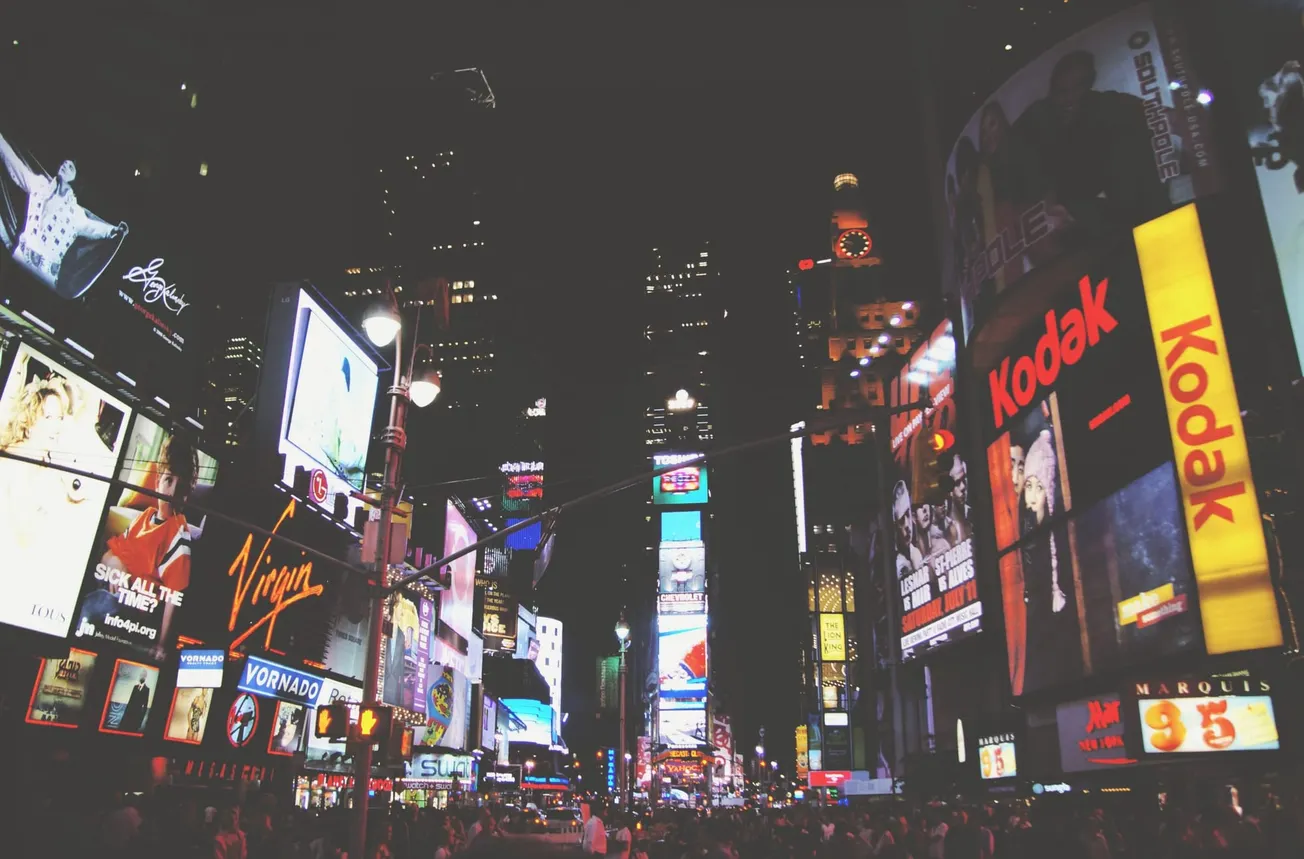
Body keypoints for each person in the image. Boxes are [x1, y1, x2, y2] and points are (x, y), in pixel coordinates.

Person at [95, 433, 201, 660]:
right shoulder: (145, 517)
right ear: (157, 481)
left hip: (134, 613)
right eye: (169, 480)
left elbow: (174, 596)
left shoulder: (179, 535)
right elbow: (109, 554)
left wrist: (162, 645)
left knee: (96, 607)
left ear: (188, 492)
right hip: (114, 595)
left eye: (181, 485)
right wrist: (115, 563)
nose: (172, 492)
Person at [0, 130, 127, 296]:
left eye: (71, 166)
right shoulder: (40, 184)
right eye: (64, 162)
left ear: (77, 178)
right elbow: (16, 167)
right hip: (19, 258)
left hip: (45, 279)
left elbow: (96, 229)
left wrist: (114, 230)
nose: (65, 165)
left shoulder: (77, 214)